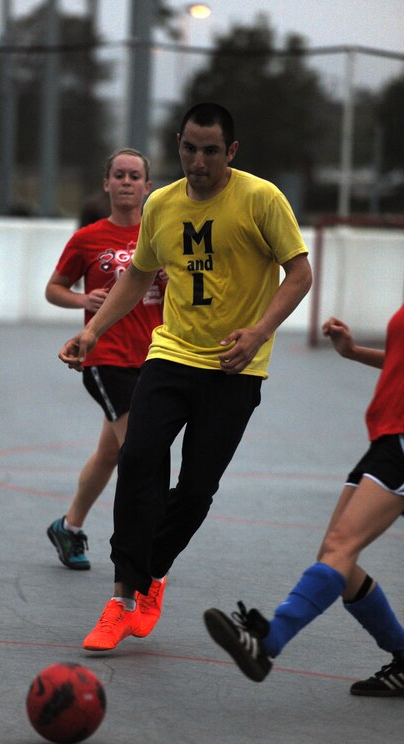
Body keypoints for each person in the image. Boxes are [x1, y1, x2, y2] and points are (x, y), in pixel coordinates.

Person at [59, 102, 312, 650]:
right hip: (170, 353)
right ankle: (123, 597)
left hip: (233, 366)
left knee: (195, 491)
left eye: (211, 151)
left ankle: (151, 575)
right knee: (139, 460)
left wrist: (260, 331)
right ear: (178, 145)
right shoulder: (162, 204)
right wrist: (93, 331)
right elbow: (137, 276)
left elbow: (299, 273)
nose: (198, 162)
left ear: (232, 152)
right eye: (189, 149)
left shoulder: (261, 199)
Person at [204, 307, 404, 696]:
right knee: (336, 556)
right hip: (388, 435)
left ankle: (269, 641)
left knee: (340, 549)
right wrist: (353, 352)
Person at [45, 148, 165, 570]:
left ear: (148, 187)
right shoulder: (88, 238)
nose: (128, 182)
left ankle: (69, 526)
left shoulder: (161, 235)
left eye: (136, 176)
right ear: (107, 184)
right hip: (105, 360)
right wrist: (82, 297)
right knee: (140, 450)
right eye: (120, 175)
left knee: (110, 453)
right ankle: (141, 546)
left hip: (153, 359)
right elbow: (53, 288)